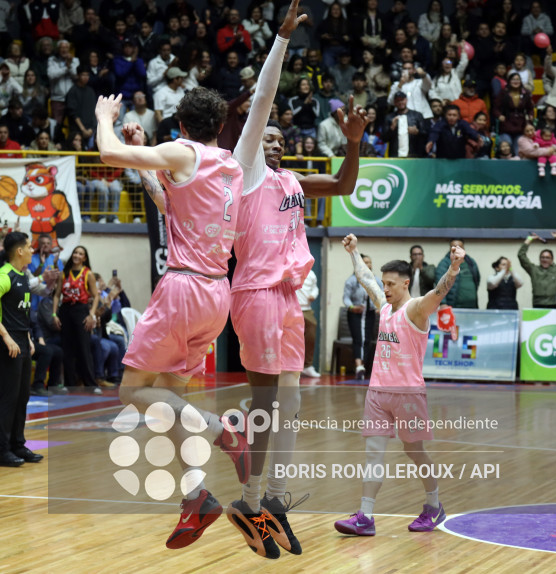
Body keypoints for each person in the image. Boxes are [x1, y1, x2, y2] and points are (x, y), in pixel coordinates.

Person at [216, 5, 367, 556]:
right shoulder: (244, 167)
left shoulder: (292, 178)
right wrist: (281, 40)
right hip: (254, 293)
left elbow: (346, 185)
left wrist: (352, 142)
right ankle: (248, 500)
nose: (274, 142)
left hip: (287, 299)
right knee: (265, 406)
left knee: (291, 406)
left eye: (281, 139)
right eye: (268, 137)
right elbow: (261, 103)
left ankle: (273, 501)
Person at [97, 85, 250, 551]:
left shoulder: (181, 152)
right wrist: (142, 146)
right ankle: (195, 498)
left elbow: (108, 154)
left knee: (133, 390)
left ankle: (226, 431)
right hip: (216, 293)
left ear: (181, 125)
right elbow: (171, 204)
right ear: (220, 127)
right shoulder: (230, 166)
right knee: (170, 402)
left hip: (182, 287)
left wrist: (106, 118)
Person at [334, 233, 466, 536]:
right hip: (378, 393)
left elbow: (439, 291)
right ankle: (365, 516)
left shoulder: (417, 309)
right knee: (373, 453)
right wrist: (354, 253)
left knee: (415, 452)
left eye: (391, 284)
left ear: (405, 283)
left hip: (408, 394)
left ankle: (433, 505)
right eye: (384, 283)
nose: (385, 288)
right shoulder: (384, 306)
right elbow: (365, 277)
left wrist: (455, 267)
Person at [0, 232, 41, 467]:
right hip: (6, 344)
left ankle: (17, 445)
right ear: (19, 251)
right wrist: (6, 336)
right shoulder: (4, 275)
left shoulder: (23, 275)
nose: (33, 250)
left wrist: (27, 337)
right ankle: (1, 451)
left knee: (22, 396)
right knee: (9, 397)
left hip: (21, 341)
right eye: (30, 247)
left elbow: (19, 312)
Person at [52, 246, 102, 392]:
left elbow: (96, 295)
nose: (77, 255)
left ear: (84, 258)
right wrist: (54, 314)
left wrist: (91, 314)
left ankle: (91, 384)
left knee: (83, 348)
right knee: (67, 348)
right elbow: (56, 295)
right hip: (65, 311)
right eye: (75, 252)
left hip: (81, 311)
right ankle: (69, 384)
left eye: (81, 254)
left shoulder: (88, 274)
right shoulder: (64, 273)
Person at [343, 254, 383, 380]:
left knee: (367, 339)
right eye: (365, 262)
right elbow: (346, 298)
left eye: (369, 262)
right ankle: (358, 366)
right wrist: (352, 307)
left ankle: (363, 366)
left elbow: (382, 295)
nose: (368, 265)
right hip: (355, 313)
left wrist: (380, 307)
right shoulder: (352, 280)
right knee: (358, 339)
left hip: (370, 313)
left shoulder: (375, 280)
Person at [518, 231, 556, 308]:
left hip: (554, 304)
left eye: (547, 258)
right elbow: (521, 255)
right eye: (542, 257)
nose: (544, 259)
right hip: (538, 304)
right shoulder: (533, 269)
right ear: (540, 259)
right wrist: (529, 239)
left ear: (552, 259)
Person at [435, 239, 479, 308]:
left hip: (472, 305)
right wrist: (443, 303)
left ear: (463, 248)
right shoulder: (444, 264)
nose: (457, 249)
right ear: (450, 249)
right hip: (453, 305)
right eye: (454, 247)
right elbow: (439, 285)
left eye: (460, 247)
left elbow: (477, 279)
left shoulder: (470, 262)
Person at [298, 268, 319, 378]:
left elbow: (315, 288)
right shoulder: (291, 270)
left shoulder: (311, 273)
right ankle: (291, 366)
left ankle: (307, 366)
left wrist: (313, 295)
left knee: (310, 336)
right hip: (292, 309)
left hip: (307, 309)